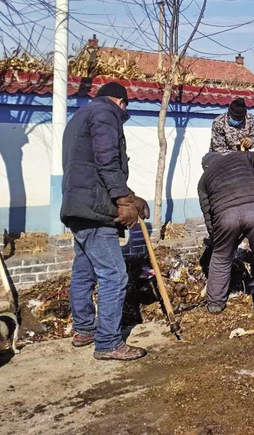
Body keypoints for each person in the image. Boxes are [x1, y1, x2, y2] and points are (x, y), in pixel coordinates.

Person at [60, 82, 150, 361]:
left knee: (84, 270)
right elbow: (106, 158)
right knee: (114, 274)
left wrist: (129, 196)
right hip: (96, 210)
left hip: (77, 207)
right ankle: (109, 342)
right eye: (125, 107)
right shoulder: (105, 113)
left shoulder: (79, 117)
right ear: (120, 101)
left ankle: (85, 329)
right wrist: (123, 197)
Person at [197, 150, 254, 321]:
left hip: (225, 216)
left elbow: (208, 216)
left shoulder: (203, 181)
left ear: (206, 167)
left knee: (220, 258)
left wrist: (219, 241)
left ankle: (215, 303)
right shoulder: (240, 156)